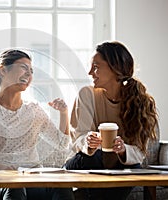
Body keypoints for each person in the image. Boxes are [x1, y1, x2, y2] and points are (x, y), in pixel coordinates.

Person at [0, 49, 75, 200]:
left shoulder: (34, 110)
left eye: (31, 71)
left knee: (63, 187)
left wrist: (64, 113)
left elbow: (61, 143)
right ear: (3, 70)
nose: (29, 74)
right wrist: (5, 169)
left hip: (33, 178)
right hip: (1, 179)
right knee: (15, 188)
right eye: (24, 68)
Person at [63, 41, 158, 200]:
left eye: (96, 67)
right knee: (93, 157)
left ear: (115, 68)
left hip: (118, 165)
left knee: (134, 168)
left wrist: (122, 149)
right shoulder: (87, 94)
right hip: (85, 161)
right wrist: (88, 142)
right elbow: (77, 139)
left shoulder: (141, 102)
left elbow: (140, 152)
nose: (90, 72)